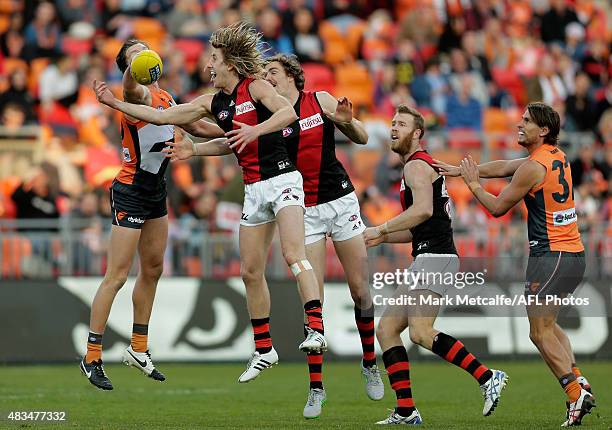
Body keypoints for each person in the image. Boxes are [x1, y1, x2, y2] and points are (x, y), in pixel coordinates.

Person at [94, 22, 327, 384]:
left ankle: (315, 328)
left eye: (214, 59)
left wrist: (251, 131)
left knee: (293, 254)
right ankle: (264, 350)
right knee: (249, 272)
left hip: (281, 178)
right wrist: (114, 101)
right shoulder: (203, 101)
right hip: (244, 188)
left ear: (230, 63)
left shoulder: (255, 87)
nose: (207, 66)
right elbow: (160, 115)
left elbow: (284, 115)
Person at [438, 102, 594, 427]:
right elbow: (508, 166)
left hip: (549, 256)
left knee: (538, 333)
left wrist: (472, 184)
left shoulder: (533, 168)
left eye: (527, 121)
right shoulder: (555, 157)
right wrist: (464, 170)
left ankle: (574, 392)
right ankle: (580, 382)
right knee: (549, 327)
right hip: (572, 255)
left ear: (544, 130)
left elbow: (497, 208)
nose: (519, 125)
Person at [80, 39, 220, 390]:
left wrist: (238, 133)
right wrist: (131, 70)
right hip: (131, 189)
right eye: (133, 54)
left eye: (144, 49)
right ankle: (92, 355)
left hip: (157, 189)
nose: (142, 54)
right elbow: (130, 87)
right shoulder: (135, 95)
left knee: (154, 268)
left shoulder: (166, 97)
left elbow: (197, 128)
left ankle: (138, 348)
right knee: (117, 275)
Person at [363, 105, 507, 425]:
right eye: (392, 123)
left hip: (437, 258)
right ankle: (406, 410)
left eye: (401, 124)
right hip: (428, 255)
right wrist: (382, 239)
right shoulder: (417, 166)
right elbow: (420, 226)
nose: (393, 128)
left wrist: (381, 228)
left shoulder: (416, 165)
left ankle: (487, 377)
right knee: (387, 329)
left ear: (417, 133)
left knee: (420, 332)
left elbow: (424, 211)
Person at [262, 54, 383, 418]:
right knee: (311, 300)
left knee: (360, 289)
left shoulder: (321, 101)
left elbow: (362, 137)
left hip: (340, 200)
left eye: (272, 72)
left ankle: (368, 362)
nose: (266, 77)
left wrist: (347, 124)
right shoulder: (269, 114)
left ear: (292, 77)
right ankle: (316, 388)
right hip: (303, 209)